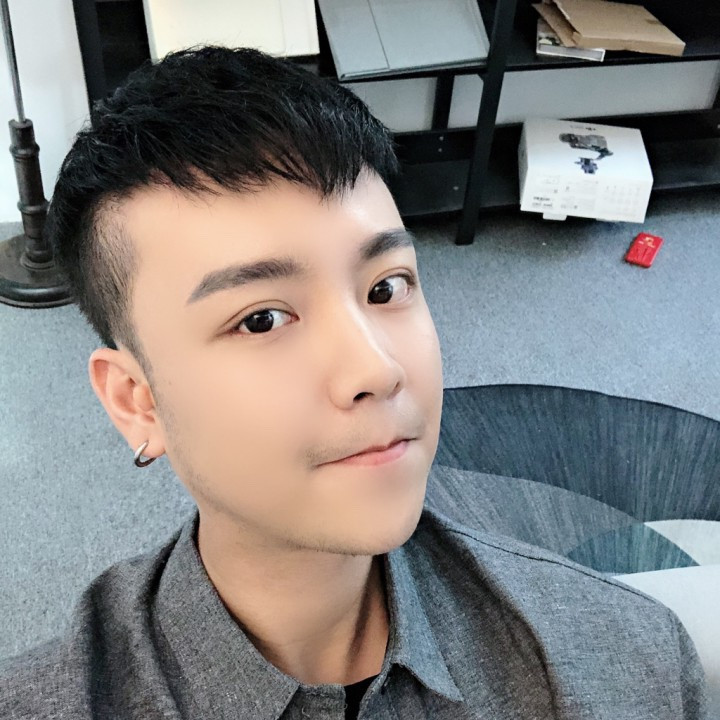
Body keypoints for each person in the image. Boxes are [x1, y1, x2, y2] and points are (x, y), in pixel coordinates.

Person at [0, 45, 708, 720]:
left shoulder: (628, 664)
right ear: (137, 402)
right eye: (261, 319)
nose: (377, 368)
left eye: (385, 287)